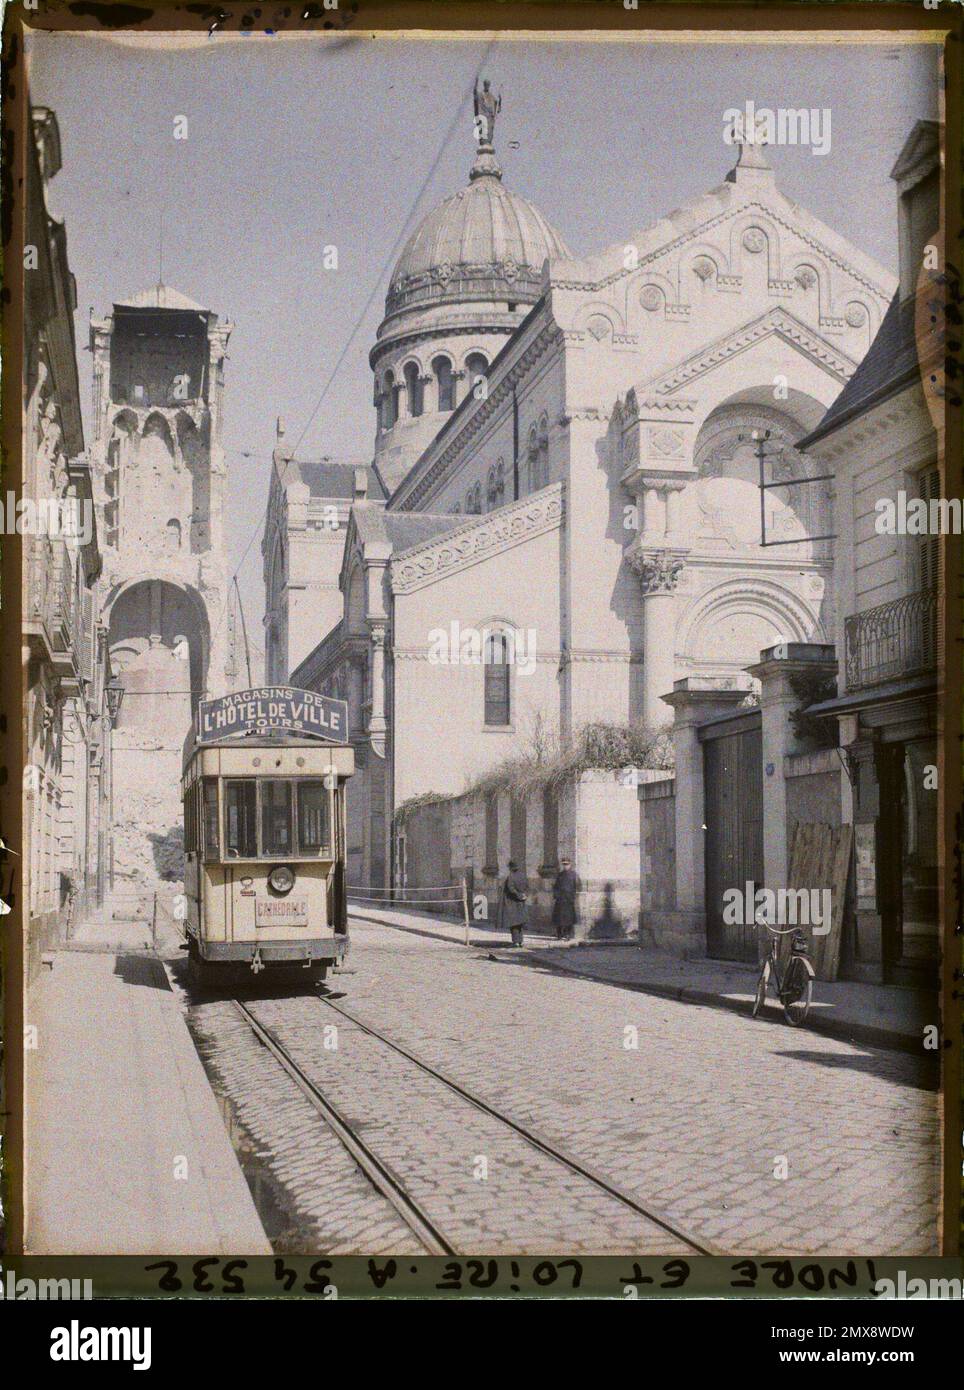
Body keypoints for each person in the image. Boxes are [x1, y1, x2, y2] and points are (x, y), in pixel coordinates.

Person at [498, 859, 528, 947]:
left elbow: (511, 889)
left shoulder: (511, 876)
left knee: (513, 923)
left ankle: (515, 942)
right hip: (521, 902)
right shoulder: (523, 876)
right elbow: (527, 887)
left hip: (512, 903)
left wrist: (518, 895)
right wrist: (524, 895)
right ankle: (520, 941)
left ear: (511, 868)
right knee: (520, 922)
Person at [551, 857, 580, 941]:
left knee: (569, 919)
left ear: (570, 864)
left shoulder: (574, 875)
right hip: (560, 899)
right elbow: (556, 886)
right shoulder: (560, 875)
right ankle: (559, 935)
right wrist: (556, 895)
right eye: (564, 864)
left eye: (567, 864)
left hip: (568, 900)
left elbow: (578, 886)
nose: (565, 866)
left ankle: (568, 935)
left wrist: (573, 897)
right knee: (558, 918)